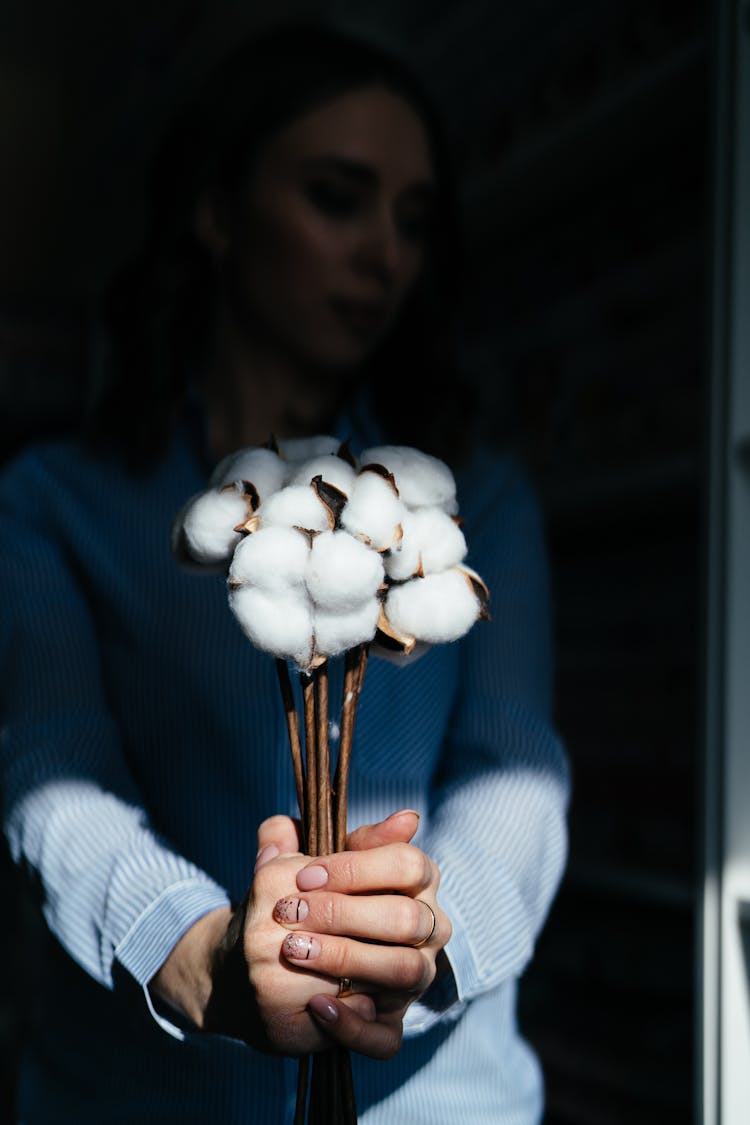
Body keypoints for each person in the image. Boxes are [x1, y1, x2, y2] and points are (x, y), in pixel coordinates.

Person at [0, 19, 570, 1125]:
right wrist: (195, 950)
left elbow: (516, 775)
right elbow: (51, 774)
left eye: (412, 220)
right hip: (141, 1099)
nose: (384, 257)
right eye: (338, 197)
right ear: (217, 212)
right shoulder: (55, 504)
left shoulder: (475, 500)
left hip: (434, 1099)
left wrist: (426, 939)